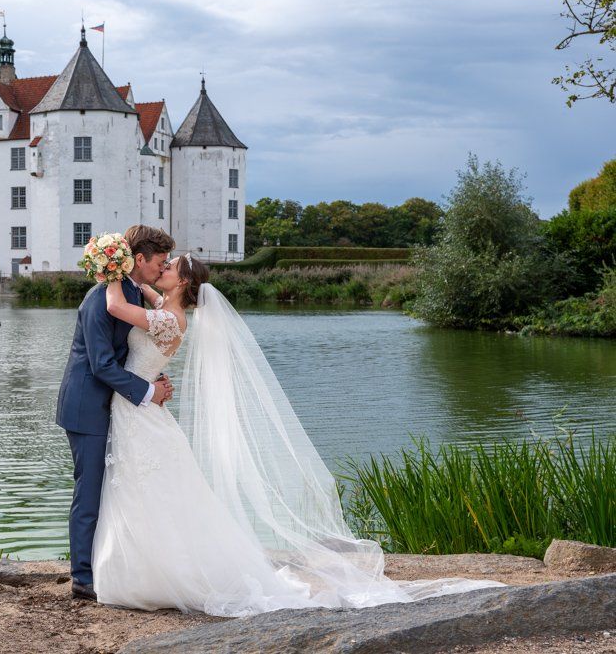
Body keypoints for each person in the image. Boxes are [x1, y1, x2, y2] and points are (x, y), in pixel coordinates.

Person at [91, 252, 506, 617]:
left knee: (149, 490)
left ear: (182, 281)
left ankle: (152, 576)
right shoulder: (165, 307)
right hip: (139, 407)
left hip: (141, 410)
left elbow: (114, 305)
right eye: (161, 263)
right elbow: (145, 294)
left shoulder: (167, 318)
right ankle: (147, 570)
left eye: (171, 266)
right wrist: (136, 277)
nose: (162, 268)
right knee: (150, 491)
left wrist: (110, 264)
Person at [55, 225, 176, 601]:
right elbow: (102, 365)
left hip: (113, 406)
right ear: (139, 260)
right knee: (89, 493)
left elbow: (130, 349)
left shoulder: (131, 292)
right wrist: (147, 392)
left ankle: (106, 565)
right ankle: (83, 579)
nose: (163, 267)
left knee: (112, 490)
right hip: (86, 407)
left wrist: (151, 377)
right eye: (159, 262)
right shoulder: (99, 300)